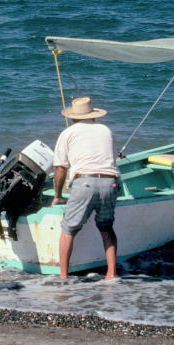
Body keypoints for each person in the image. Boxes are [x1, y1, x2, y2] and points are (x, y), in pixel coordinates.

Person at [50, 96, 119, 280]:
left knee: (68, 230)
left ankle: (63, 277)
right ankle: (111, 274)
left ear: (73, 117)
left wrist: (57, 195)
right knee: (106, 228)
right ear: (93, 115)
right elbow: (111, 161)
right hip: (110, 182)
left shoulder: (68, 133)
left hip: (84, 183)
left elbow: (60, 168)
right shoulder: (106, 130)